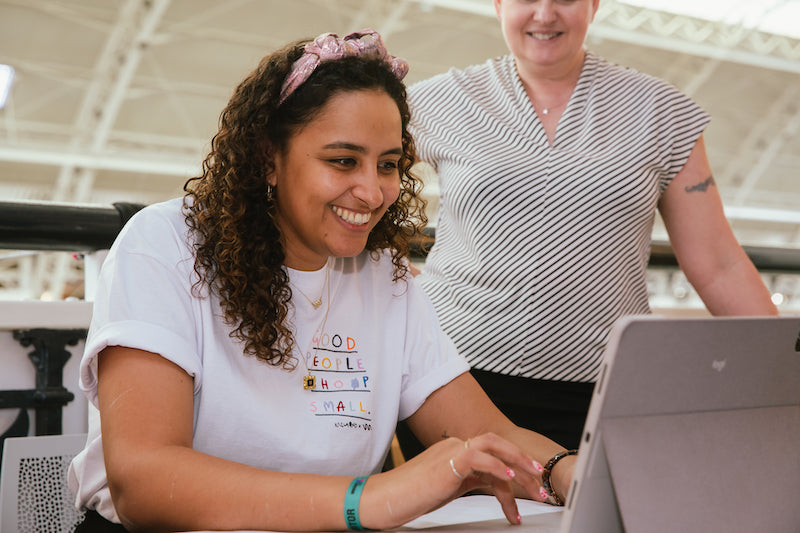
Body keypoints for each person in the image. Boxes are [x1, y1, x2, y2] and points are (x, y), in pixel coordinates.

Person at [67, 30, 576, 532]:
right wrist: (368, 499)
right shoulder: (166, 244)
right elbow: (145, 482)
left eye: (389, 165)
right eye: (343, 161)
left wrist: (566, 471)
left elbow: (486, 431)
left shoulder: (383, 276)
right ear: (269, 156)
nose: (374, 192)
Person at [401, 0, 779, 453]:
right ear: (498, 4)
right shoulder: (435, 101)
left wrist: (781, 366)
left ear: (594, 4)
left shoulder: (662, 113)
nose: (544, 14)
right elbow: (352, 189)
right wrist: (396, 280)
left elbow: (718, 263)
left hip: (606, 389)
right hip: (454, 381)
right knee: (461, 525)